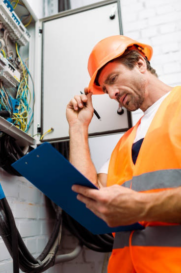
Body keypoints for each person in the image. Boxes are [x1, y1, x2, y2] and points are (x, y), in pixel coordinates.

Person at [66, 35, 181, 273]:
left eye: (113, 79)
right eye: (106, 89)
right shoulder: (124, 143)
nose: (111, 95)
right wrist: (78, 128)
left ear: (140, 64)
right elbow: (89, 196)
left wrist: (143, 206)